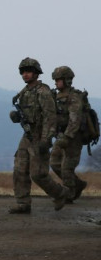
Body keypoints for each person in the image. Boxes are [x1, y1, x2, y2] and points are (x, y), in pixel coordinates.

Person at [8, 57, 70, 214]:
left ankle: (59, 193)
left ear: (36, 73)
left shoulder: (43, 92)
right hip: (27, 135)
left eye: (28, 71)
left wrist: (46, 140)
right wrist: (16, 116)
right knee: (19, 169)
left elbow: (50, 118)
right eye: (23, 72)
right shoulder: (25, 92)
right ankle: (22, 203)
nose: (25, 75)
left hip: (40, 136)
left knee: (38, 174)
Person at [49, 66, 88, 202]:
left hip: (73, 138)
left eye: (58, 80)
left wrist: (67, 137)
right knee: (54, 163)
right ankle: (77, 184)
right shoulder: (55, 96)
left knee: (67, 167)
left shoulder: (74, 97)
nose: (55, 82)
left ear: (67, 80)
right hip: (60, 136)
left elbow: (74, 120)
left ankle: (69, 194)